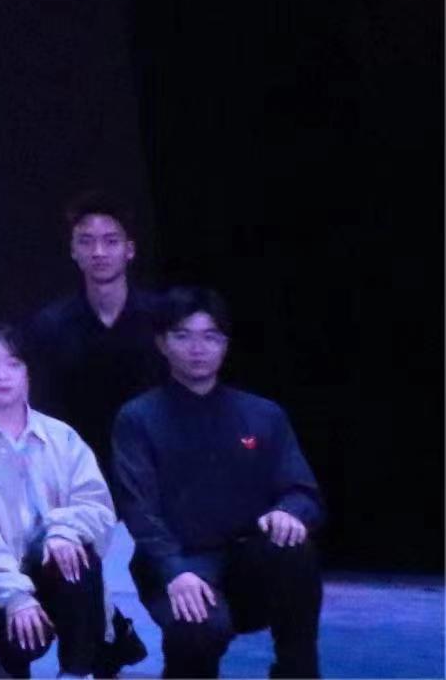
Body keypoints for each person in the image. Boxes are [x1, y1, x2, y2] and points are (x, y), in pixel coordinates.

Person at [112, 289, 321, 679]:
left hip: (248, 564)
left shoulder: (263, 415)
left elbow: (302, 489)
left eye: (210, 337)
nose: (198, 348)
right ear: (162, 343)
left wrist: (289, 512)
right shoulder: (138, 419)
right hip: (178, 564)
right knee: (198, 631)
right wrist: (174, 570)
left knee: (295, 548)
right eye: (183, 336)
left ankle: (297, 671)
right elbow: (138, 508)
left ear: (225, 345)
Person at [0, 322, 119, 680]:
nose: (2, 375)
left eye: (13, 364)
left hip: (57, 575)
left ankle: (77, 672)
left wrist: (63, 531)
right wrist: (16, 595)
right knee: (16, 640)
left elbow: (98, 506)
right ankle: (4, 664)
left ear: (28, 373)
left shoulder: (61, 436)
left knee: (77, 554)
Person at [24, 195, 168, 470]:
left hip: (154, 464)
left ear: (130, 249)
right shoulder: (50, 326)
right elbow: (43, 410)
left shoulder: (160, 319)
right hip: (77, 467)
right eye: (86, 241)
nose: (99, 252)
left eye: (111, 241)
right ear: (73, 250)